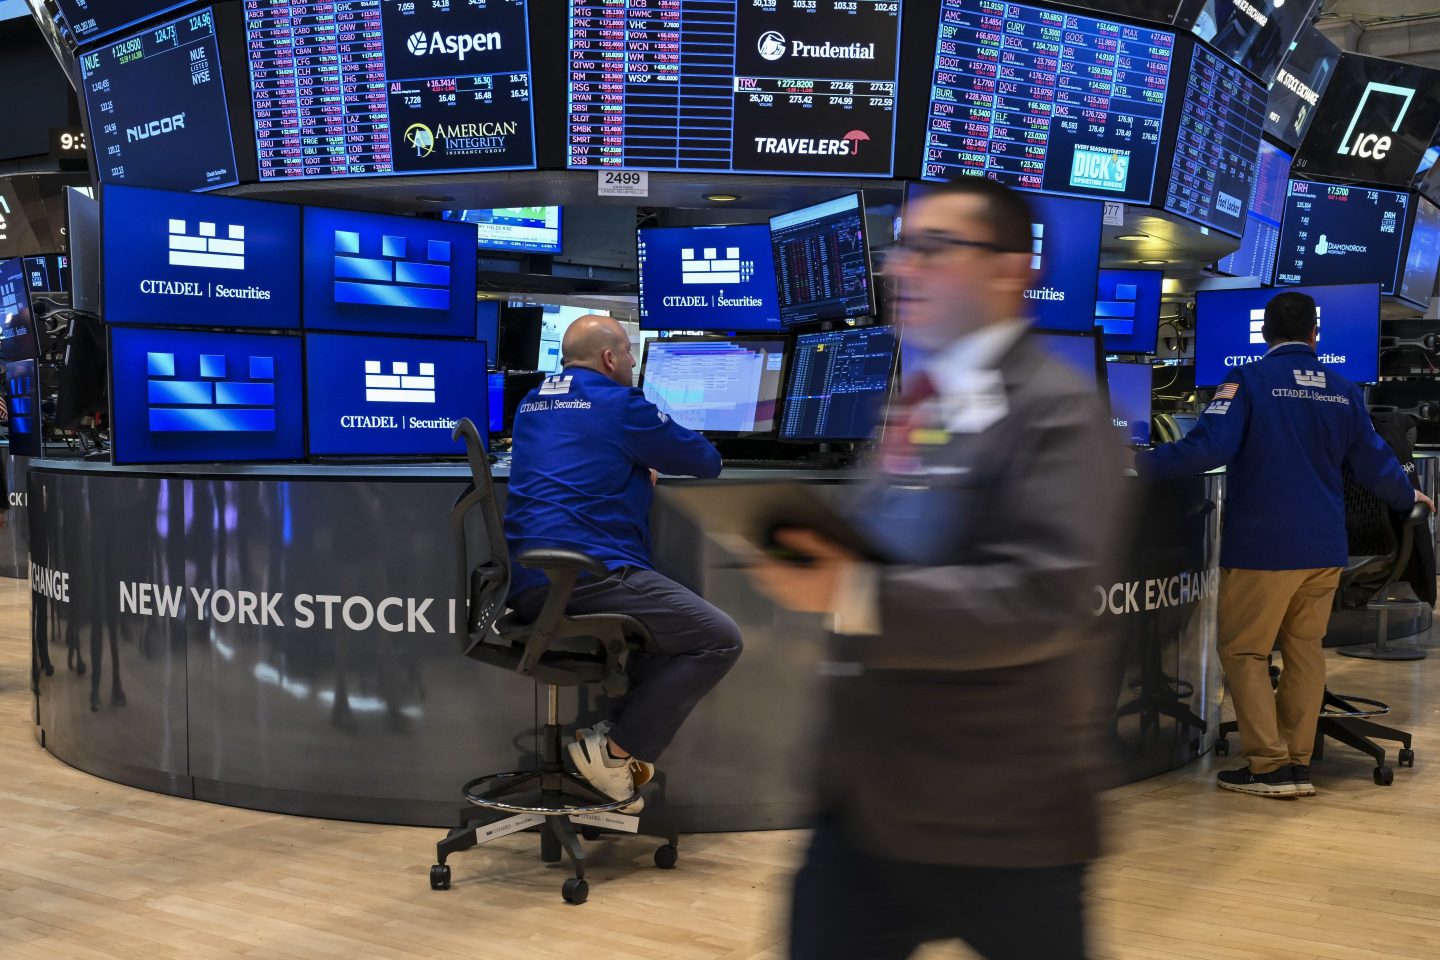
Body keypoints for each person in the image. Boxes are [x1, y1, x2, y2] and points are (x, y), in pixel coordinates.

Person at [751, 179, 1122, 960]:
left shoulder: (1058, 409)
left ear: (1009, 268)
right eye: (902, 248)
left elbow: (1041, 597)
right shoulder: (925, 399)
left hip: (997, 812)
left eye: (933, 249)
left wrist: (852, 590)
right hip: (869, 802)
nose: (902, 268)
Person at [1136, 291, 1431, 799]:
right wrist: (1410, 496)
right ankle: (1296, 761)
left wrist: (1137, 464)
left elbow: (1208, 449)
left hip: (1265, 548)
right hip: (1325, 549)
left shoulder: (1247, 381)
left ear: (1264, 332)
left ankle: (1269, 766)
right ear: (1315, 334)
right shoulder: (1341, 389)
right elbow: (1375, 462)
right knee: (1304, 651)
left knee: (1244, 650)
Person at [503, 314, 741, 812]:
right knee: (718, 639)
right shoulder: (620, 404)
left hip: (526, 580)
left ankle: (612, 747)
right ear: (610, 358)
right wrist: (642, 456)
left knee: (667, 630)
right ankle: (614, 754)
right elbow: (706, 461)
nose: (634, 361)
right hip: (588, 574)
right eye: (630, 352)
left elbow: (578, 455)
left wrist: (629, 464)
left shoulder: (531, 402)